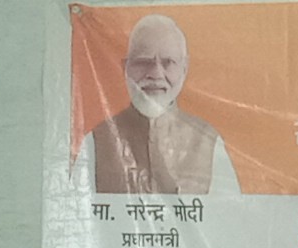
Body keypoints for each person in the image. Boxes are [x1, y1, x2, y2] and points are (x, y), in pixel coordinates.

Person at [81, 13, 236, 196]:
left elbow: (230, 212)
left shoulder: (207, 141)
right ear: (125, 68)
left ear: (184, 68)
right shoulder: (96, 140)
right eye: (143, 62)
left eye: (168, 62)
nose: (155, 74)